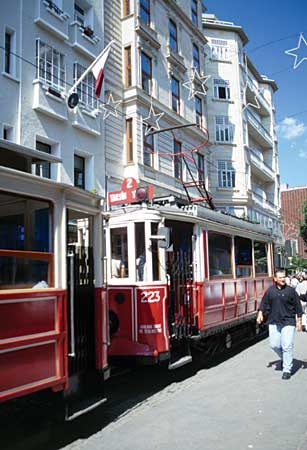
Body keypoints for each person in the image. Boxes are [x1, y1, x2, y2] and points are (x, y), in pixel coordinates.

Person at [256, 269, 303, 380]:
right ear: (275, 279)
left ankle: (287, 369)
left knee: (287, 345)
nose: (283, 279)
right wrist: (260, 314)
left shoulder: (291, 291)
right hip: (273, 321)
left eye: (284, 277)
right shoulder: (270, 291)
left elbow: (298, 307)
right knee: (274, 345)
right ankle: (286, 358)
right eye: (280, 277)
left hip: (288, 321)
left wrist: (299, 322)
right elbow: (263, 304)